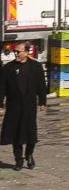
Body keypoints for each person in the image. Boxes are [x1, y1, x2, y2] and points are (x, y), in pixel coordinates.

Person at [0, 41, 47, 171]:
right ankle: (18, 159)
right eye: (15, 51)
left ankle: (29, 154)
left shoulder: (36, 67)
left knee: (30, 133)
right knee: (16, 134)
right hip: (14, 105)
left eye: (18, 51)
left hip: (29, 105)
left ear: (26, 53)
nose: (15, 53)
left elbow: (41, 85)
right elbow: (2, 87)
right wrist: (0, 105)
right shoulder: (8, 68)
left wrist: (42, 102)